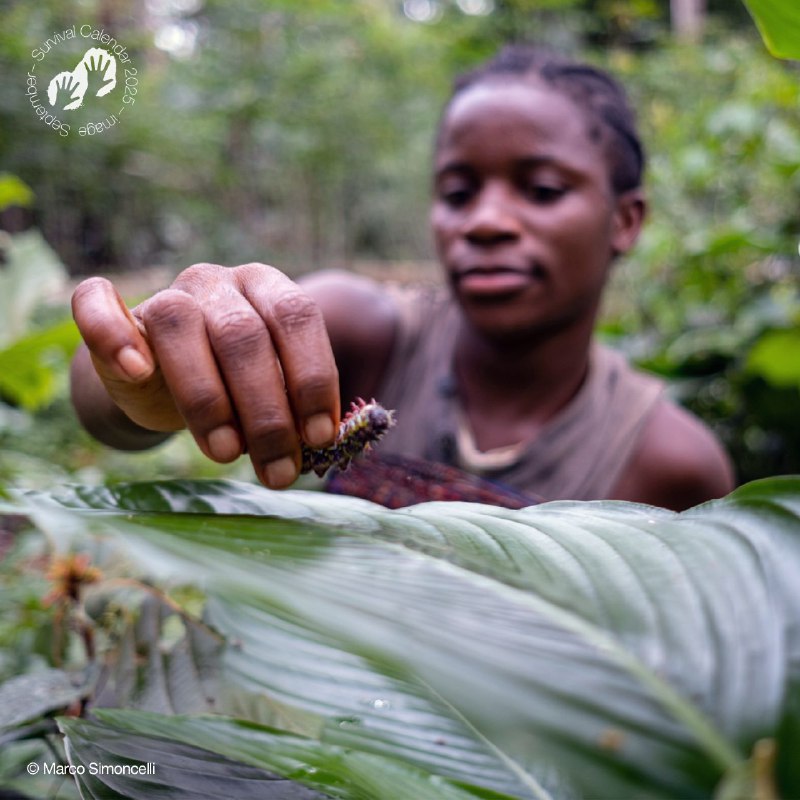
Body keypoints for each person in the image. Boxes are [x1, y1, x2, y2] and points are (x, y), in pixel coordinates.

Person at [69, 45, 735, 511]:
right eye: (457, 191)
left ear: (625, 220)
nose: (485, 222)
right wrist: (140, 376)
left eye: (540, 189)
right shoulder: (364, 333)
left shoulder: (673, 464)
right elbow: (108, 408)